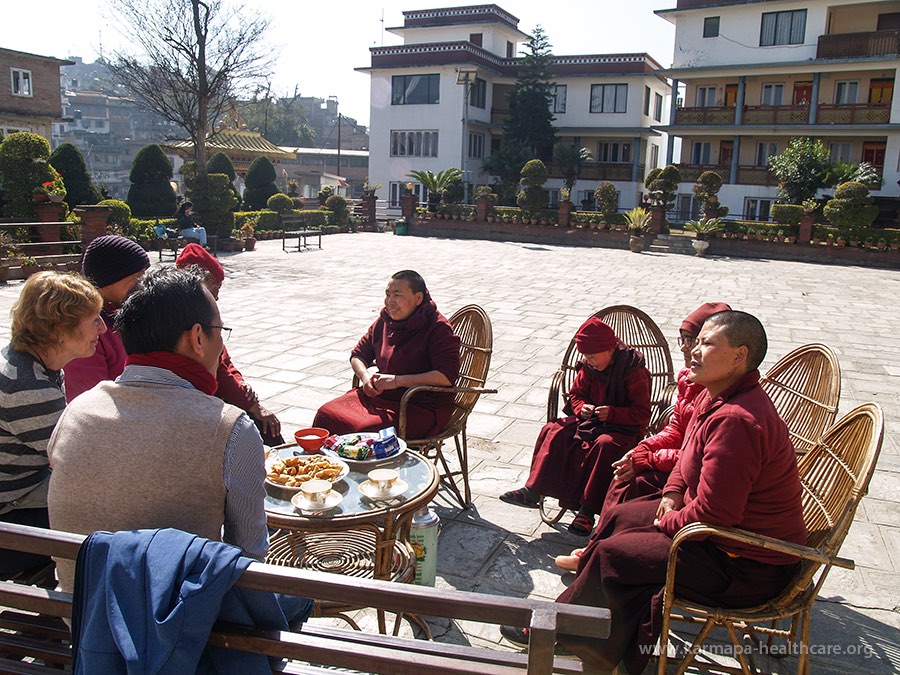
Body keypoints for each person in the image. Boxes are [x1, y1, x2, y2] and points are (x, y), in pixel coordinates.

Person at [514, 311, 807, 674]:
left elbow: (717, 515)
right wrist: (671, 493)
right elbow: (686, 457)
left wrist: (667, 521)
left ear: (739, 356)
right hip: (716, 536)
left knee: (615, 554)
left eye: (707, 343)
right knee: (623, 515)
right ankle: (592, 631)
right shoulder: (712, 397)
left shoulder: (737, 419)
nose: (694, 351)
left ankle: (563, 632)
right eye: (696, 342)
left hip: (746, 562)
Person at [47, 267, 269, 594]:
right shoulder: (230, 430)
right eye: (220, 331)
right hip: (175, 635)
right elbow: (248, 561)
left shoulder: (76, 411)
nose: (221, 343)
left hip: (80, 622)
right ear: (197, 338)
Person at [555, 302, 731, 571]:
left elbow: (699, 456)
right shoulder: (688, 379)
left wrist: (649, 458)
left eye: (696, 341)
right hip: (677, 464)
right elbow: (676, 430)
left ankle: (600, 547)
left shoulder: (730, 405)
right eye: (683, 340)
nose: (687, 349)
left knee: (623, 470)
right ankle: (595, 547)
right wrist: (643, 450)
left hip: (691, 478)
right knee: (609, 462)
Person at [500, 317, 651, 536]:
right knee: (555, 430)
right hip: (592, 421)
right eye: (586, 357)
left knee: (605, 445)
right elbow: (576, 395)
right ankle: (533, 490)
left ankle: (588, 510)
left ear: (609, 350)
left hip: (623, 428)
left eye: (592, 357)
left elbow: (642, 413)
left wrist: (613, 413)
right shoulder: (589, 368)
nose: (588, 361)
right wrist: (582, 409)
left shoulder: (633, 370)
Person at [1, 272, 105, 576]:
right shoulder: (29, 389)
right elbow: (79, 461)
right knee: (111, 501)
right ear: (60, 329)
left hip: (20, 489)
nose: (102, 327)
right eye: (94, 320)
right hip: (12, 513)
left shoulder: (30, 362)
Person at [313, 270, 461, 440]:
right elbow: (358, 355)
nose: (390, 302)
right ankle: (329, 465)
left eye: (397, 295)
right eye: (387, 294)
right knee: (326, 414)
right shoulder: (385, 321)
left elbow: (446, 376)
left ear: (418, 298)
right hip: (380, 397)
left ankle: (359, 465)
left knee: (363, 431)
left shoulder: (437, 327)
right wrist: (365, 377)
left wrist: (398, 381)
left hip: (417, 405)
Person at [176, 243, 284, 445]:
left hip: (222, 391)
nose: (217, 295)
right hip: (201, 399)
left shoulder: (204, 311)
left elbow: (224, 360)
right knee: (262, 430)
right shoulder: (189, 319)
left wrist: (241, 383)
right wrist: (253, 406)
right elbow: (217, 372)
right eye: (215, 287)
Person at [63, 235, 150, 401]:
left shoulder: (131, 312)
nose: (142, 283)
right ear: (109, 279)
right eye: (137, 277)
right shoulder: (85, 330)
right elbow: (90, 400)